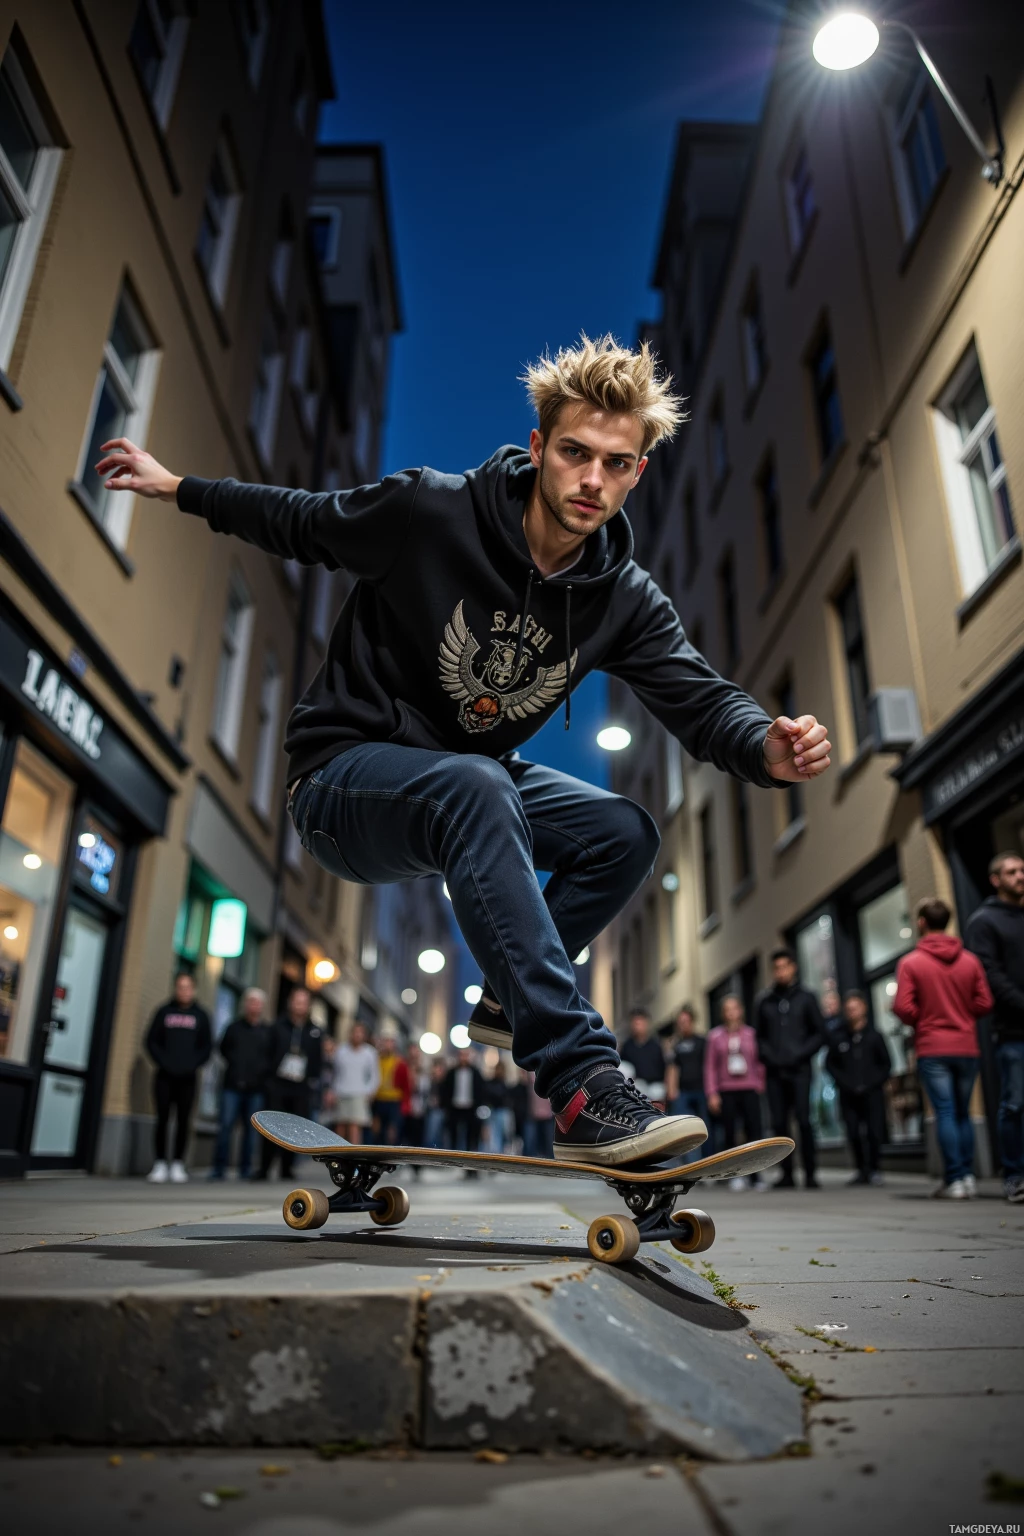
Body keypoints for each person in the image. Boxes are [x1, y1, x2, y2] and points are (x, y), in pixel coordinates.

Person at [96, 336, 832, 1167]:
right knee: (479, 784)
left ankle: (510, 1007)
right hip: (341, 784)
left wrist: (760, 745)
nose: (592, 482)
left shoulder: (622, 598)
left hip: (464, 788)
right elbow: (302, 519)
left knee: (622, 832)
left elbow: (700, 698)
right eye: (575, 455)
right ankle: (584, 1084)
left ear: (638, 475)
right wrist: (181, 488)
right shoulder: (429, 512)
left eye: (616, 465)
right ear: (539, 450)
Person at [895, 897, 994, 1199]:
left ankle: (955, 1180)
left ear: (922, 922)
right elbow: (985, 1002)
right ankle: (968, 1177)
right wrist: (962, 1014)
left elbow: (903, 1007)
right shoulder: (970, 960)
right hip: (966, 1045)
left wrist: (924, 1019)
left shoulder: (911, 962)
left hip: (933, 1046)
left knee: (946, 1113)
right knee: (963, 1113)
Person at [966, 852, 1024, 1205]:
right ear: (995, 879)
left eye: (1022, 870)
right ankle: (1015, 1175)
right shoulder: (984, 921)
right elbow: (991, 976)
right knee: (1015, 1104)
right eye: (1012, 871)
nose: (1020, 876)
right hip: (1013, 1031)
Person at [754, 949, 825, 1189]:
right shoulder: (765, 1001)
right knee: (780, 1125)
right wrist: (769, 1057)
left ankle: (811, 1174)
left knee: (804, 1121)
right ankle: (786, 1175)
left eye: (785, 966)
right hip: (775, 1073)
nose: (781, 972)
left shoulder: (806, 997)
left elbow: (819, 1033)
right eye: (776, 968)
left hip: (800, 1071)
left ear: (793, 967)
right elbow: (759, 1037)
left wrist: (800, 1054)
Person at [145, 972, 212, 1184]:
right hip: (164, 1076)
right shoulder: (164, 1012)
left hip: (188, 1078)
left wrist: (191, 1065)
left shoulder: (201, 1016)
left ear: (194, 989)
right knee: (162, 1119)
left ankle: (177, 1163)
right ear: (175, 988)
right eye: (180, 987)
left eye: (187, 987)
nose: (184, 991)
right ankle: (159, 1164)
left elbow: (207, 1047)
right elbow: (151, 1041)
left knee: (184, 1120)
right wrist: (164, 1062)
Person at [825, 991, 892, 1187]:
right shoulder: (839, 1037)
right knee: (853, 1131)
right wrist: (844, 1082)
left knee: (874, 1131)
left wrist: (873, 1083)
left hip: (872, 1092)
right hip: (848, 1093)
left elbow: (886, 1064)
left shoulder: (874, 1036)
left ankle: (875, 1168)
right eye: (849, 1009)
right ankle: (861, 1170)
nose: (852, 1012)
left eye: (855, 1008)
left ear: (864, 1008)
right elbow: (830, 1064)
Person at [257, 988, 323, 1179]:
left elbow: (318, 1060)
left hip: (300, 1087)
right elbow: (267, 1053)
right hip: (277, 1084)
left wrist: (311, 1080)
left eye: (304, 1002)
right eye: (297, 1001)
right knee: (272, 1125)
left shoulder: (314, 1031)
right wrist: (268, 1078)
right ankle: (264, 1167)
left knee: (294, 1127)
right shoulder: (277, 1026)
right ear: (290, 1003)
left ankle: (287, 1168)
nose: (300, 1005)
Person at [704, 995, 766, 1190]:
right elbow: (710, 1067)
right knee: (730, 1133)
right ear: (723, 1013)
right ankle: (734, 1175)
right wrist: (712, 1092)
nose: (731, 1013)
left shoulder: (751, 1034)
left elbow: (759, 1061)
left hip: (749, 1088)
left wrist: (760, 1083)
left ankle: (756, 1176)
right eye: (727, 1009)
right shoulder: (715, 1036)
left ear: (741, 1011)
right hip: (726, 1090)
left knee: (753, 1131)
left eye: (735, 1008)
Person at [210, 987, 271, 1180]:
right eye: (250, 1001)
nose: (254, 1006)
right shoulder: (233, 1027)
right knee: (225, 1127)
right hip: (232, 1086)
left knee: (251, 1132)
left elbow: (271, 1058)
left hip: (256, 1089)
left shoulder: (267, 1032)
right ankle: (219, 1168)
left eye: (257, 1002)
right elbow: (222, 1049)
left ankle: (245, 1169)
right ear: (245, 1004)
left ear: (262, 1006)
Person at [665, 1004, 706, 1163]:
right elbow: (672, 1067)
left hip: (702, 1090)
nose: (684, 1025)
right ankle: (691, 1164)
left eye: (686, 1021)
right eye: (680, 1022)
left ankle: (706, 1162)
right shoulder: (676, 1045)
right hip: (683, 1092)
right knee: (685, 1130)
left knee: (704, 1129)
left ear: (692, 1021)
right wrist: (672, 1090)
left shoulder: (702, 1041)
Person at [328, 1021, 380, 1143]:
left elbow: (374, 1076)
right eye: (355, 1032)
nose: (357, 1035)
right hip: (341, 1092)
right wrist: (333, 1091)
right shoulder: (341, 1051)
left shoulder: (370, 1053)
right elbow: (335, 1074)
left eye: (360, 1033)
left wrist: (370, 1091)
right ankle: (337, 1155)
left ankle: (353, 1157)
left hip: (359, 1094)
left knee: (354, 1126)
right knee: (340, 1125)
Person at [441, 1048, 487, 1160]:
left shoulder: (475, 1072)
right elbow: (445, 1090)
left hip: (471, 1108)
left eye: (466, 1055)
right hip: (455, 1108)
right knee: (453, 1134)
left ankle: (469, 1160)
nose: (464, 1058)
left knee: (471, 1136)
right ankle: (453, 1159)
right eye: (462, 1055)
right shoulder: (452, 1072)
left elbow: (481, 1090)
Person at [619, 1008, 668, 1107]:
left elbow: (666, 1067)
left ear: (646, 1023)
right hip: (637, 1088)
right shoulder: (627, 1046)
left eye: (640, 1022)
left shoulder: (656, 1045)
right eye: (635, 1022)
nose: (637, 1026)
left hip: (657, 1087)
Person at [372, 1035, 410, 1145]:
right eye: (385, 1042)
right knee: (378, 1130)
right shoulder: (376, 1060)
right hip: (379, 1099)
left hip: (394, 1100)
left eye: (390, 1042)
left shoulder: (400, 1062)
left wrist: (405, 1103)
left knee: (393, 1130)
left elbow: (406, 1085)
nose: (387, 1045)